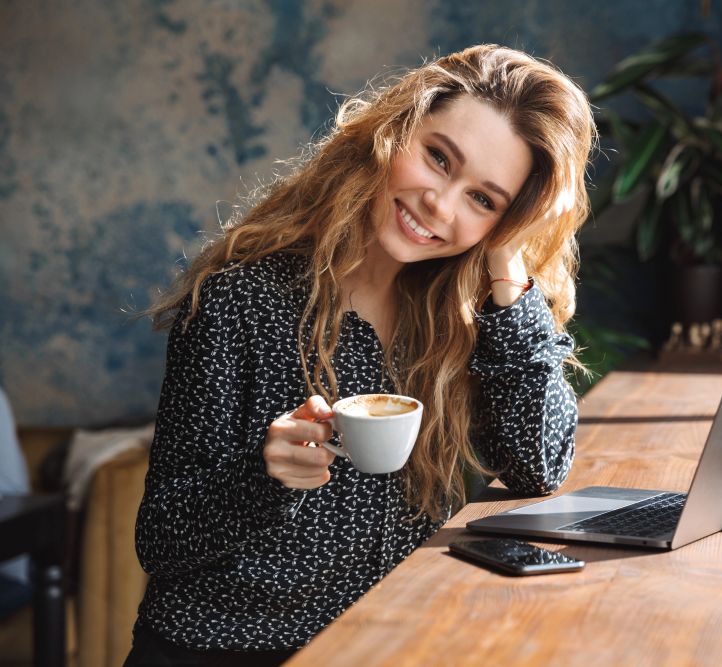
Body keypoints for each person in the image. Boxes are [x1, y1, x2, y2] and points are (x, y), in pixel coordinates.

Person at [125, 44, 595, 665]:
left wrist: (510, 270)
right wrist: (266, 474)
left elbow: (538, 466)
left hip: (384, 640)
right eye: (437, 158)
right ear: (392, 133)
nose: (441, 204)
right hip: (224, 648)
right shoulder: (241, 297)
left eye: (484, 200)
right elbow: (160, 539)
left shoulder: (454, 318)